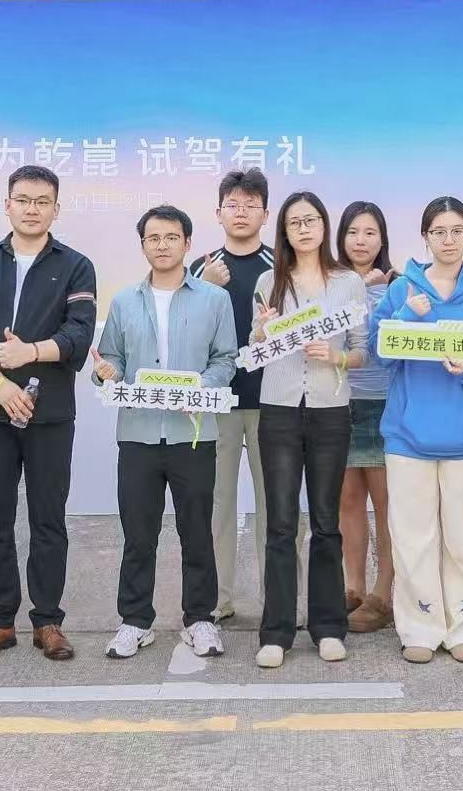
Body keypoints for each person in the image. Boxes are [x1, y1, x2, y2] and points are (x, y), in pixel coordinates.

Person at [0, 164, 98, 664]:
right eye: (23, 200)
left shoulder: (75, 265)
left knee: (48, 519)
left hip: (49, 413)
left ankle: (48, 621)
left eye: (42, 201)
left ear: (56, 208)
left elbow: (79, 334)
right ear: (7, 204)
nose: (32, 209)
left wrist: (30, 352)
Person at [90, 204, 237, 662]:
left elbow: (225, 360)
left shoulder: (214, 299)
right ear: (143, 245)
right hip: (137, 434)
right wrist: (106, 373)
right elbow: (110, 360)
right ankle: (135, 621)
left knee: (197, 531)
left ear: (187, 243)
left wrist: (199, 389)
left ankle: (200, 619)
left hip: (193, 434)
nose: (162, 245)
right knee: (138, 534)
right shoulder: (124, 301)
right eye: (153, 238)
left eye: (171, 237)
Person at [368, 196, 463, 665]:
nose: (448, 240)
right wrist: (408, 315)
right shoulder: (400, 290)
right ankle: (420, 628)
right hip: (408, 438)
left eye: (457, 231)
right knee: (413, 538)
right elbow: (380, 355)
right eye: (439, 231)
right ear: (425, 237)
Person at [251, 191, 368, 668]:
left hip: (330, 410)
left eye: (311, 220)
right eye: (294, 222)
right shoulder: (268, 281)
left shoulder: (348, 283)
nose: (303, 228)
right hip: (279, 410)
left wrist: (336, 356)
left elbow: (361, 351)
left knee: (325, 521)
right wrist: (262, 331)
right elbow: (255, 347)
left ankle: (328, 627)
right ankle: (276, 631)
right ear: (284, 230)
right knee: (281, 523)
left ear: (324, 226)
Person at [193, 168, 302, 624]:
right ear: (217, 212)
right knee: (215, 506)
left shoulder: (282, 267)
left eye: (250, 205)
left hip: (271, 402)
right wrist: (206, 288)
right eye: (232, 205)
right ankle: (215, 600)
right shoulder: (199, 269)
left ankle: (280, 601)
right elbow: (183, 336)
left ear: (266, 214)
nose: (241, 213)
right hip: (216, 405)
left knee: (277, 507)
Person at [337, 201, 396, 634]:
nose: (361, 241)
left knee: (387, 504)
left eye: (370, 232)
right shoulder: (328, 284)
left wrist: (374, 291)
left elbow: (386, 343)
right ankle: (353, 588)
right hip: (338, 404)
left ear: (382, 239)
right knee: (347, 501)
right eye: (353, 232)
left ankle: (384, 593)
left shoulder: (397, 286)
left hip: (383, 404)